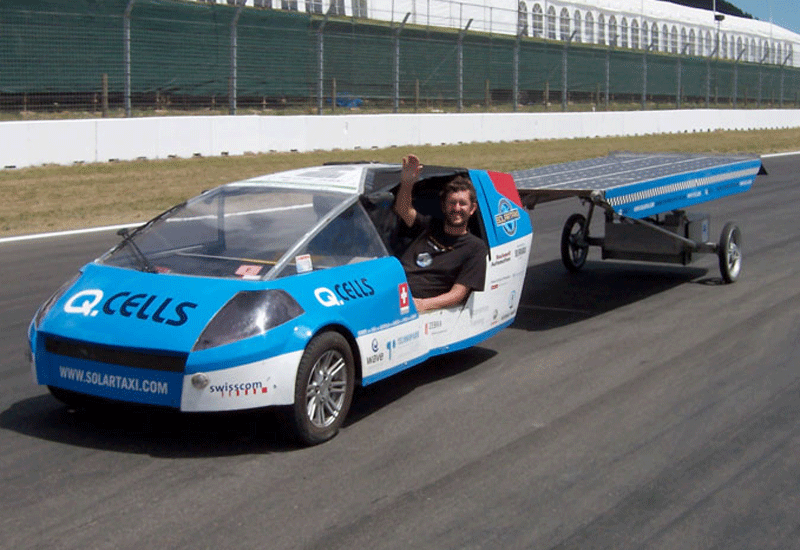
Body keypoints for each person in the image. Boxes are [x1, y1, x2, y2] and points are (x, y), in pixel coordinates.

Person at [393, 154, 487, 313]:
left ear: (472, 209)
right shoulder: (429, 225)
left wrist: (422, 304)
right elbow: (403, 209)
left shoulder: (475, 247)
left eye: (462, 204)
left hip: (418, 305)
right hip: (393, 289)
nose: (457, 208)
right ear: (443, 207)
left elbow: (458, 294)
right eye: (452, 203)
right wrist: (407, 182)